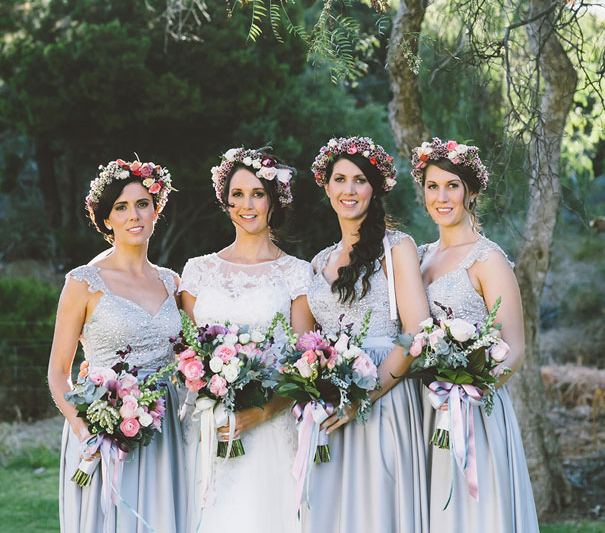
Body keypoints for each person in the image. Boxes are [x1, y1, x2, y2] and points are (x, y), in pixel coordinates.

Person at [48, 158, 187, 533]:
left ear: (156, 209)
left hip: (165, 428)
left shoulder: (173, 283)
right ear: (106, 219)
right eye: (120, 207)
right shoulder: (83, 283)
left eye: (142, 203)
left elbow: (190, 353)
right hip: (103, 428)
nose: (134, 215)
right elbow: (59, 372)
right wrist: (85, 431)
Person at [180, 147, 314, 533]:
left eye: (257, 193)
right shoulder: (198, 271)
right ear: (225, 201)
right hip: (207, 428)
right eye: (237, 194)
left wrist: (263, 411)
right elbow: (185, 352)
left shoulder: (296, 274)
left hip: (269, 429)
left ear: (274, 201)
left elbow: (304, 365)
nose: (246, 204)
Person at [411, 136, 539, 532]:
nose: (441, 196)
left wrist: (466, 394)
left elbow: (514, 349)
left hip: (475, 414)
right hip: (424, 409)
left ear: (471, 191)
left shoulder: (488, 258)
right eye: (433, 186)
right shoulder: (417, 256)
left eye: (452, 185)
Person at [304, 136, 430, 533]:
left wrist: (362, 397)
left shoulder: (397, 248)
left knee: (380, 512)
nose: (349, 189)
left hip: (384, 398)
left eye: (360, 179)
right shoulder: (319, 261)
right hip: (331, 403)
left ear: (374, 188)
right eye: (340, 179)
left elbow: (416, 332)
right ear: (326, 186)